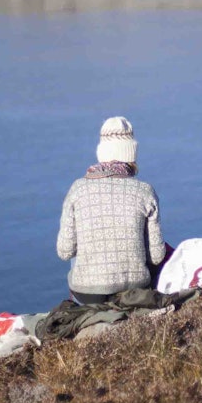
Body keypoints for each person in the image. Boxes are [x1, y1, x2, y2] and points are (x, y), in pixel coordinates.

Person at [56, 116, 167, 303]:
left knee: (76, 252)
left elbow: (64, 251)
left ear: (101, 153)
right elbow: (156, 257)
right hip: (135, 290)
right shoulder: (145, 191)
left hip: (88, 293)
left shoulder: (78, 189)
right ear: (132, 154)